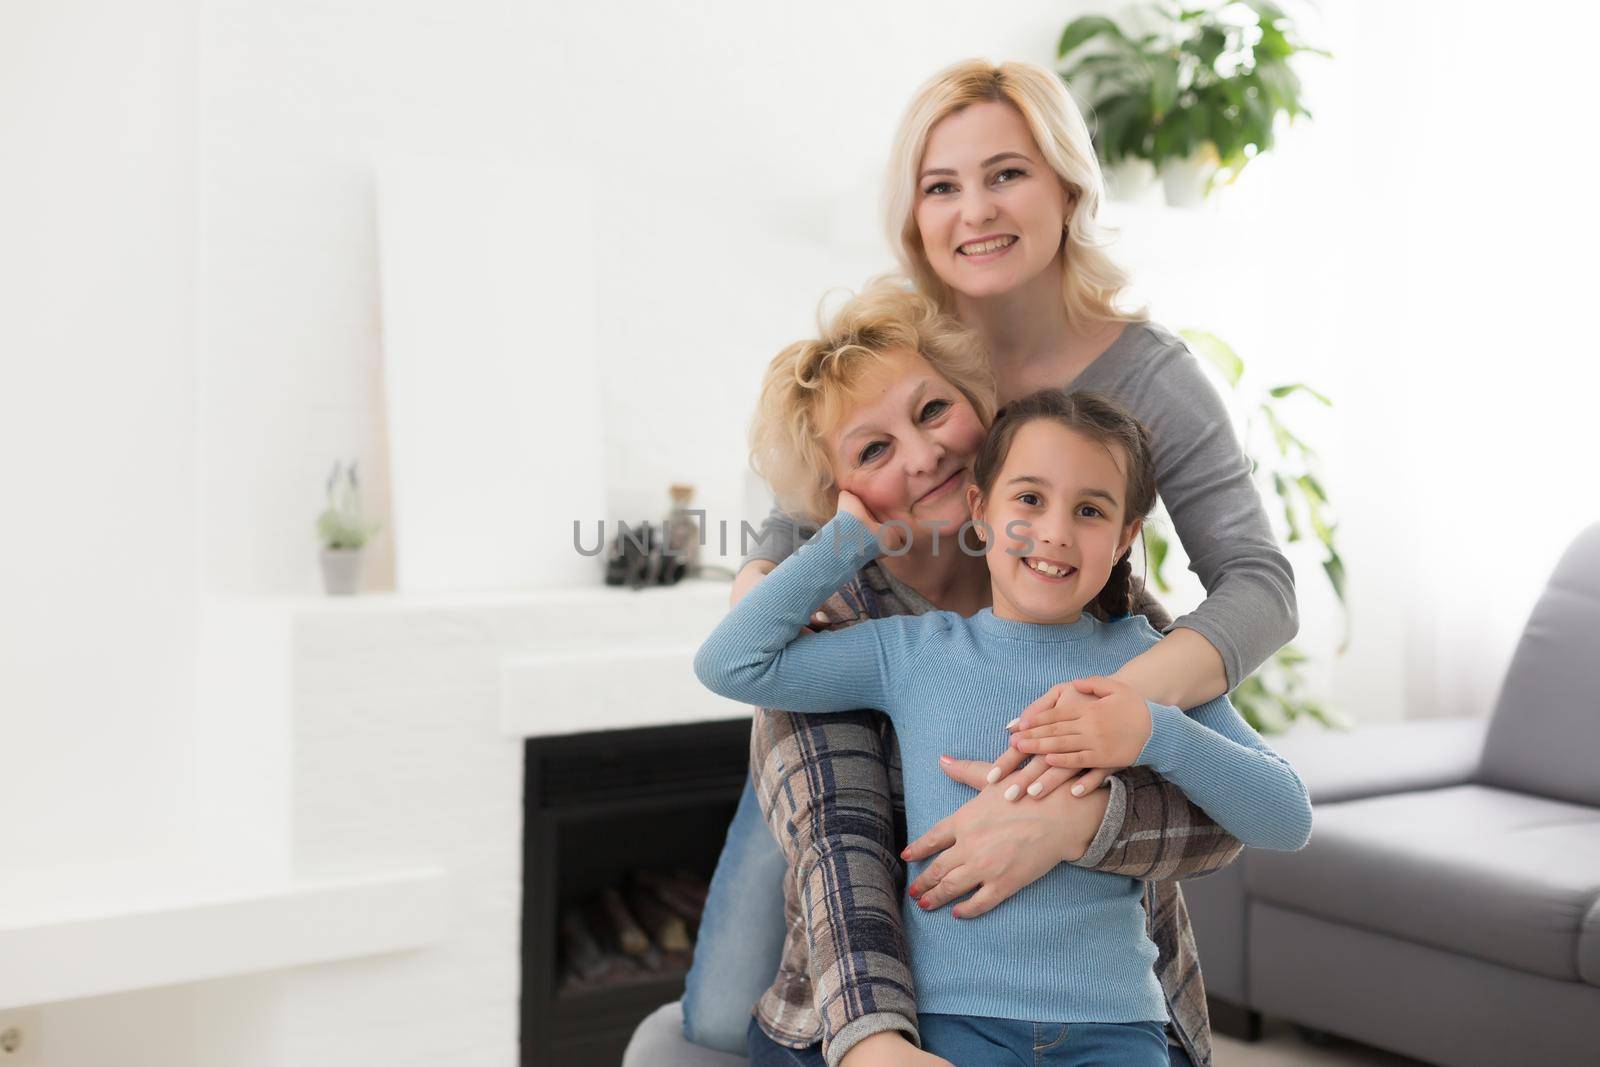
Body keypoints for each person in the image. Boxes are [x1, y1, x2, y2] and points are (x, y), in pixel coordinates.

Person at [684, 58, 1298, 1067]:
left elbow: (1260, 589)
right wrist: (766, 569)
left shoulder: (1149, 382)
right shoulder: (909, 347)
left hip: (1053, 718)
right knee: (719, 1016)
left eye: (1006, 173)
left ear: (1067, 185)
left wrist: (1108, 719)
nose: (974, 210)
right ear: (913, 215)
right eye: (940, 186)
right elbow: (805, 504)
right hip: (874, 696)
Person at [695, 386, 1312, 1066]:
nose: (1054, 531)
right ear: (979, 510)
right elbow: (731, 662)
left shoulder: (1148, 665)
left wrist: (1153, 732)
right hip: (954, 1023)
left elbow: (1286, 815)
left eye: (1090, 509)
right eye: (1028, 499)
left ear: (1126, 535)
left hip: (1114, 1026)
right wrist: (846, 539)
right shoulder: (912, 651)